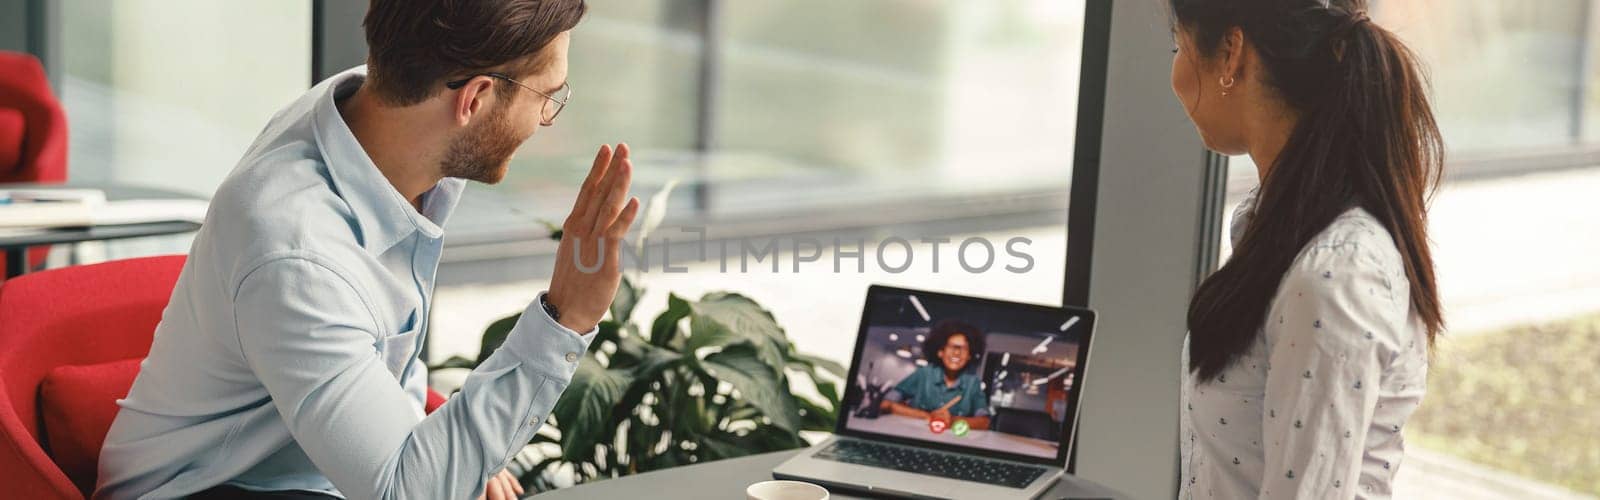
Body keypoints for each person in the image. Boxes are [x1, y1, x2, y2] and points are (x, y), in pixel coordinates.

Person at [93, 1, 639, 499]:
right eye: (548, 99)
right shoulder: (297, 251)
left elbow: (385, 373)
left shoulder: (371, 116)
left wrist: (450, 452)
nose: (546, 122)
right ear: (473, 99)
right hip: (208, 488)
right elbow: (404, 492)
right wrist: (566, 316)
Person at [1170, 0, 1443, 498]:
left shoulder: (1336, 273)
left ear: (1231, 54)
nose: (1174, 75)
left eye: (1178, 47)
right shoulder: (1277, 224)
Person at [880, 319, 992, 431]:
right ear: (940, 352)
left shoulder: (973, 384)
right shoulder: (923, 374)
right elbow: (886, 403)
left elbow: (984, 422)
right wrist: (926, 416)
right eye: (952, 346)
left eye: (964, 348)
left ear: (969, 356)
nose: (957, 353)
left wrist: (952, 420)